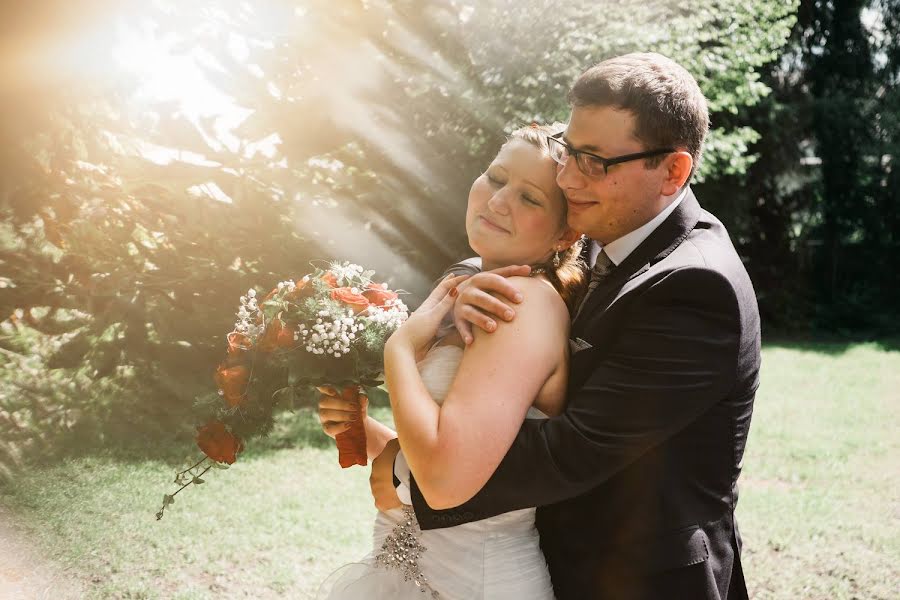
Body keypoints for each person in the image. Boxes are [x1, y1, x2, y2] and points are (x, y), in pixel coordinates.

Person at [368, 52, 762, 600]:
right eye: (571, 152)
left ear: (673, 171)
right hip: (559, 565)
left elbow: (570, 450)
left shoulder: (697, 286)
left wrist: (406, 463)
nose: (568, 177)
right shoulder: (599, 230)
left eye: (595, 162)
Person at [316, 123, 584, 599]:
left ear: (565, 232)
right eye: (497, 178)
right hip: (400, 569)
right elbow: (459, 447)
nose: (499, 202)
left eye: (530, 198)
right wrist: (373, 435)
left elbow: (442, 484)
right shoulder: (470, 280)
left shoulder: (522, 305)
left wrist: (399, 349)